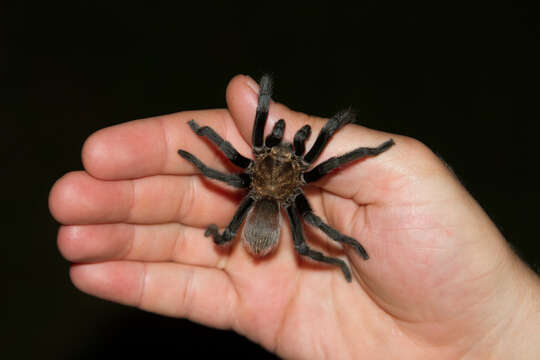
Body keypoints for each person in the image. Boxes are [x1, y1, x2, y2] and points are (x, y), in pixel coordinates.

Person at [49, 75, 540, 359]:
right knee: (306, 238)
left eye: (282, 148)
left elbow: (232, 163)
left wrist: (349, 237)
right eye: (278, 147)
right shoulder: (294, 174)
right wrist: (204, 150)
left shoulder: (254, 171)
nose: (282, 147)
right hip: (271, 208)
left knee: (308, 239)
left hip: (265, 207)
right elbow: (238, 163)